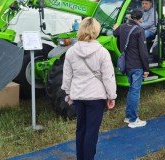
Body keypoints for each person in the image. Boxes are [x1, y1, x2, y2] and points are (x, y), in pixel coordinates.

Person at [61, 17, 117, 160]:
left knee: (81, 129)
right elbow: (108, 77)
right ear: (96, 31)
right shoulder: (102, 52)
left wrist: (68, 93)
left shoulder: (71, 51)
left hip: (78, 95)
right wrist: (112, 96)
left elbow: (67, 75)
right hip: (96, 97)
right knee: (91, 132)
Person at [113, 9, 149, 128]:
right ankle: (133, 120)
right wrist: (146, 68)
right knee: (135, 92)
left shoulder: (123, 27)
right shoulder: (139, 30)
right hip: (137, 65)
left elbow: (115, 33)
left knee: (131, 91)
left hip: (127, 65)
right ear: (140, 19)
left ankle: (128, 117)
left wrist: (115, 27)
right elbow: (143, 52)